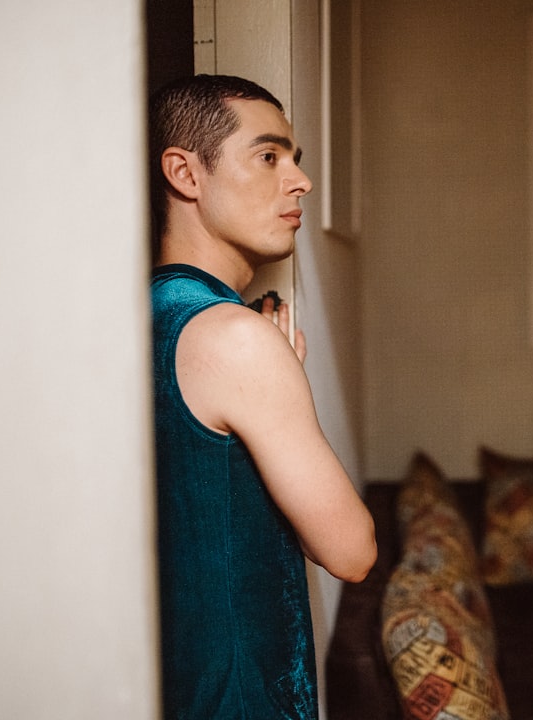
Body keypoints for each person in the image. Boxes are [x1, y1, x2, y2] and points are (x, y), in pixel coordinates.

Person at [148, 74, 377, 719]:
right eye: (269, 156)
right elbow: (352, 552)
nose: (300, 180)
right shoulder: (235, 339)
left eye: (296, 159)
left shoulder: (147, 312)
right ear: (186, 175)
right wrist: (284, 379)